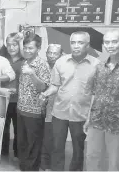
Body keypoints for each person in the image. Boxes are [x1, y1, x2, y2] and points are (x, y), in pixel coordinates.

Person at [40, 31, 100, 171]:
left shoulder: (97, 65)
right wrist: (46, 93)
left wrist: (92, 116)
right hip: (60, 112)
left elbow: (96, 93)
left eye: (80, 42)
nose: (76, 46)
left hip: (81, 115)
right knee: (57, 147)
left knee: (78, 149)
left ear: (88, 45)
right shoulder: (61, 62)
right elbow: (55, 85)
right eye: (73, 42)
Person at [84, 29, 119, 171]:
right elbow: (94, 93)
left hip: (118, 124)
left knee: (115, 161)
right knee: (92, 157)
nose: (110, 45)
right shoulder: (99, 67)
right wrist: (89, 117)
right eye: (107, 42)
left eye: (114, 41)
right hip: (97, 120)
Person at [17, 34, 50, 171]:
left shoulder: (42, 64)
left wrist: (32, 74)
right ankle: (24, 166)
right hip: (21, 109)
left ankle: (31, 168)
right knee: (22, 142)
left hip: (35, 111)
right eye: (25, 47)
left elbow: (43, 88)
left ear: (38, 48)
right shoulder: (25, 62)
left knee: (34, 143)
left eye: (31, 48)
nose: (27, 50)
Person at [0, 32, 25, 159]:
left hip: (19, 100)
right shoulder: (3, 57)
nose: (12, 47)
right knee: (3, 128)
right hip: (3, 100)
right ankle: (3, 152)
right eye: (9, 45)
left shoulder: (25, 60)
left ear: (20, 46)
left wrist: (17, 90)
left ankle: (18, 153)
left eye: (15, 45)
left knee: (19, 129)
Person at [40, 44, 63, 171]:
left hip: (56, 110)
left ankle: (50, 165)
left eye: (55, 53)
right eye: (50, 52)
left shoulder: (63, 68)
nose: (52, 56)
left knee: (52, 139)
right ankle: (44, 165)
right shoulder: (42, 66)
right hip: (39, 108)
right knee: (41, 137)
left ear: (61, 55)